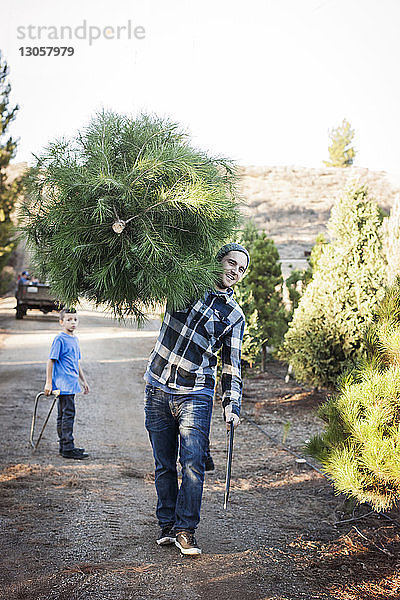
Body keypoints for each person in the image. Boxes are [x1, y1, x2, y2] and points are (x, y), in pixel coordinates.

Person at [144, 243, 249, 555]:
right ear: (219, 261)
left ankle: (185, 529)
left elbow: (231, 363)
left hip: (196, 392)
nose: (235, 271)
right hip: (158, 386)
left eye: (241, 269)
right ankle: (166, 525)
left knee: (192, 464)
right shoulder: (185, 284)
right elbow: (158, 263)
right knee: (163, 464)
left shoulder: (234, 315)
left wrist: (232, 405)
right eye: (231, 263)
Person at [44, 308, 90, 460]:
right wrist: (49, 383)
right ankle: (68, 447)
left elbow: (76, 362)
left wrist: (83, 381)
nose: (73, 322)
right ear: (61, 322)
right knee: (67, 415)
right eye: (69, 320)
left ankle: (64, 446)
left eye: (75, 319)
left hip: (71, 383)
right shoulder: (60, 339)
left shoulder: (74, 339)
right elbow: (51, 360)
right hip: (63, 384)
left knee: (64, 414)